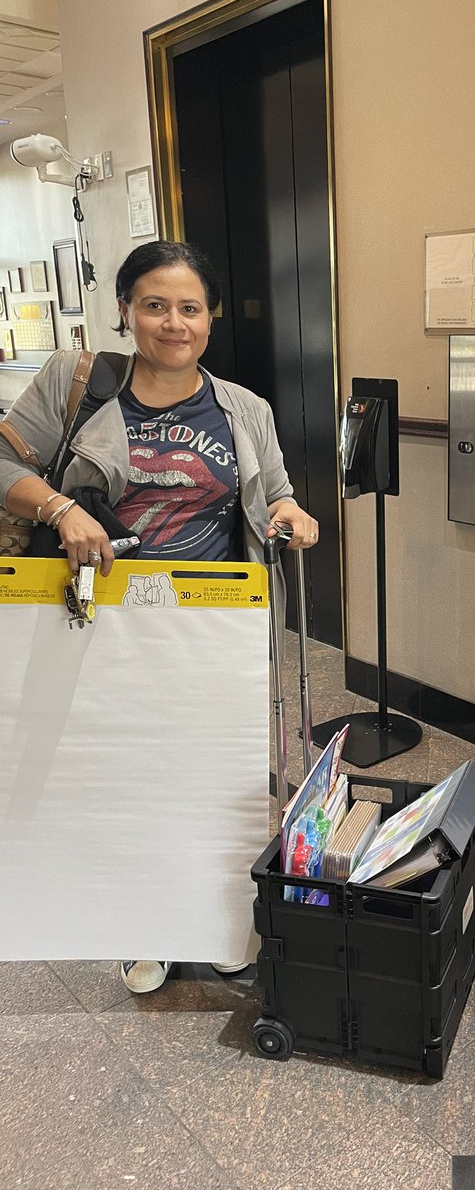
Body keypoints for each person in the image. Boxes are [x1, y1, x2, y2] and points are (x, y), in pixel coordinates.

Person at [0, 240, 319, 993]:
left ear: (209, 319)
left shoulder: (243, 409)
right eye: (154, 305)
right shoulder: (76, 384)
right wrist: (61, 506)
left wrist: (291, 512)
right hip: (99, 626)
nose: (173, 323)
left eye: (189, 308)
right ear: (125, 311)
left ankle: (216, 921)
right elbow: (5, 466)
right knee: (124, 775)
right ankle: (141, 927)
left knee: (219, 781)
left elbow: (275, 491)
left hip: (212, 628)